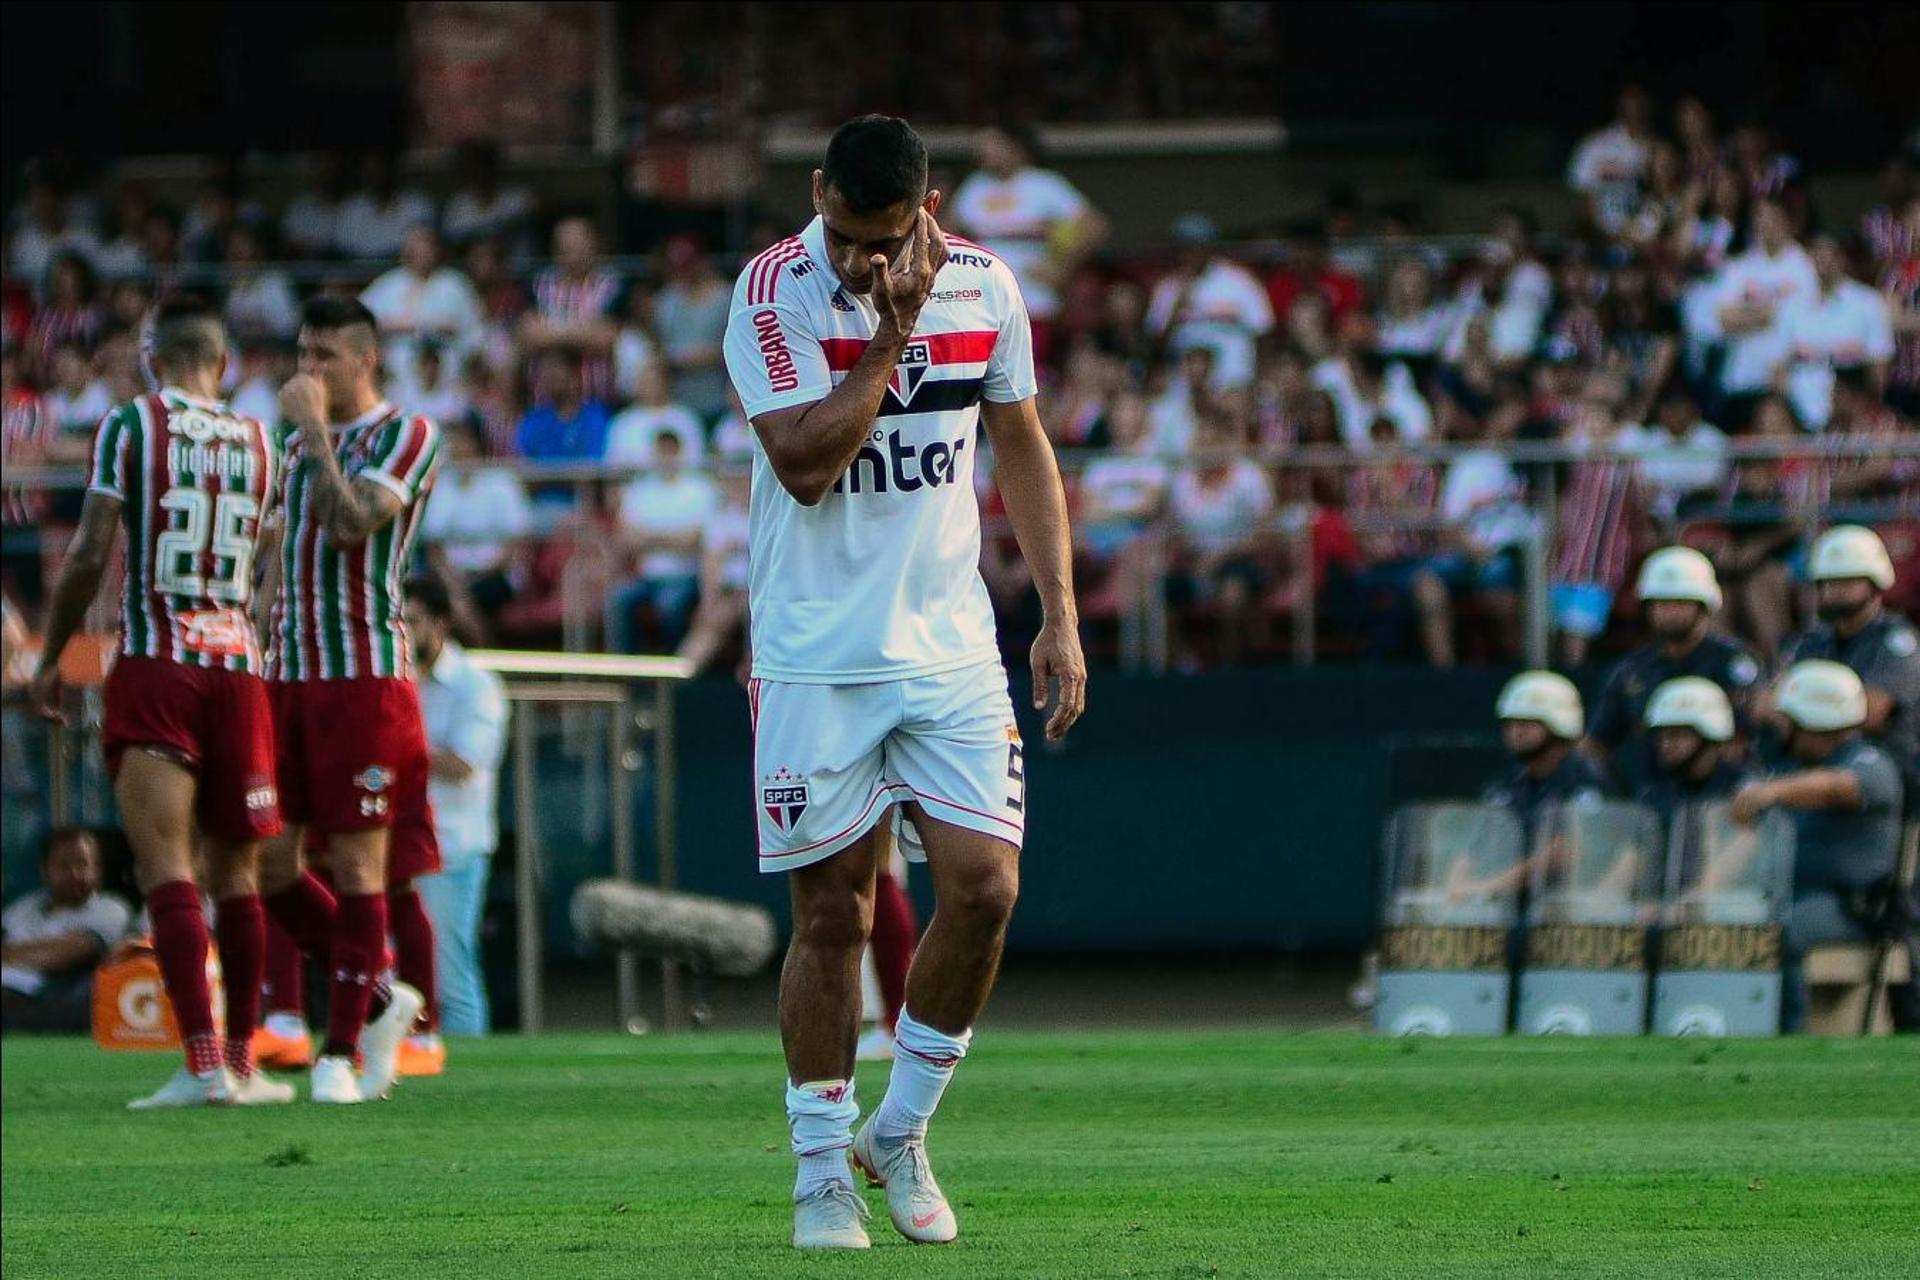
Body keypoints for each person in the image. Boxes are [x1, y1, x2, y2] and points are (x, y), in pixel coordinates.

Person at [721, 115, 1084, 1250]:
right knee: (835, 911)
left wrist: (1058, 613)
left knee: (985, 888)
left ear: (926, 213)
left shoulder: (987, 286)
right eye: (846, 233)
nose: (866, 262)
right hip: (816, 655)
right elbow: (806, 462)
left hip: (951, 646)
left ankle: (903, 1126)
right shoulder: (772, 290)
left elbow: (1020, 439)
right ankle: (820, 1168)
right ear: (816, 192)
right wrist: (889, 335)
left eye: (887, 241)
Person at [26, 296, 292, 1107]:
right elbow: (274, 547)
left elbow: (88, 552)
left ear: (154, 361)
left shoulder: (132, 425)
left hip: (158, 659)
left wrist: (50, 657)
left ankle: (202, 1060)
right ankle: (244, 1064)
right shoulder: (259, 438)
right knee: (238, 872)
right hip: (237, 664)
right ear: (223, 364)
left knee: (167, 866)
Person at [259, 296, 436, 1104]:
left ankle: (339, 1054)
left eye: (322, 355)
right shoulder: (297, 450)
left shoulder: (407, 433)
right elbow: (281, 553)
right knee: (264, 863)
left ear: (365, 360)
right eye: (301, 353)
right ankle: (377, 998)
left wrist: (315, 434)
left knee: (362, 865)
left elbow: (352, 522)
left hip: (364, 677)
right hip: (288, 674)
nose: (307, 372)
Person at [1732, 661, 1908, 1031]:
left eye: (1790, 723)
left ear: (1815, 724)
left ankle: (1786, 1036)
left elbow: (1837, 787)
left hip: (1849, 907)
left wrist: (1772, 792)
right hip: (1789, 894)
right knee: (1731, 921)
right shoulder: (1792, 766)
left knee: (1783, 932)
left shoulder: (1870, 763)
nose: (1783, 732)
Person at [403, 576, 508, 1050]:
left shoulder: (475, 683)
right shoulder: (397, 678)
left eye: (413, 621)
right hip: (401, 839)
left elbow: (465, 762)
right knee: (401, 966)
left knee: (450, 968)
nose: (404, 632)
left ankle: (469, 1071)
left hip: (453, 844)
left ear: (440, 625)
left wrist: (394, 742)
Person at [1585, 547, 1764, 791]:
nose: (1668, 613)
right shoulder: (1631, 671)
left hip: (1720, 801)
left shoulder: (1733, 664)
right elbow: (1596, 743)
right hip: (1647, 801)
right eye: (1660, 604)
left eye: (1679, 603)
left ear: (1703, 606)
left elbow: (1748, 739)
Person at [948, 122, 1107, 368]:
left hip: (1032, 303)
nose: (985, 150)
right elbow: (947, 233)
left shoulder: (1044, 184)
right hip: (982, 307)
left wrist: (1063, 270)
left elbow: (1094, 226)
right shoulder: (974, 186)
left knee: (1027, 379)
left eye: (994, 144)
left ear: (1016, 148)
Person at [1779, 527, 1920, 797]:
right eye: (1828, 583)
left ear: (1875, 582)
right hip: (1818, 773)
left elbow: (1871, 713)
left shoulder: (1897, 642)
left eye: (1847, 582)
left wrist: (1804, 710)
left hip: (1891, 777)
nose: (1835, 591)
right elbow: (1773, 704)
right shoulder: (1813, 641)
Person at [2, 829, 132, 1032]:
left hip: (57, 997)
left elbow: (66, 955)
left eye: (83, 864)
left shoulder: (112, 908)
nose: (75, 874)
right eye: (64, 866)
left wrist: (11, 952)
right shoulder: (22, 909)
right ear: (45, 870)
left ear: (97, 869)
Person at [607, 426, 719, 653]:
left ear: (679, 452)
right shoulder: (640, 490)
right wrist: (673, 538)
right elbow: (627, 538)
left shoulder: (700, 489)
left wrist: (650, 538)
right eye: (660, 451)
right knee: (619, 600)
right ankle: (630, 676)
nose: (664, 457)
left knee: (670, 606)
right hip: (647, 576)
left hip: (685, 576)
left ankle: (671, 679)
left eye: (669, 451)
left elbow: (694, 540)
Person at [1777, 232, 1896, 432]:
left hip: (1852, 421)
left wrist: (1863, 416)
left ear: (1841, 258)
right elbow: (1777, 369)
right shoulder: (1790, 306)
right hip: (1798, 419)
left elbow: (1879, 368)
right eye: (1818, 255)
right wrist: (1793, 418)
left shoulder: (1868, 302)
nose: (1823, 261)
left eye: (1829, 255)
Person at [359, 225, 484, 405]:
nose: (421, 252)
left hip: (448, 380)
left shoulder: (455, 285)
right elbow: (359, 325)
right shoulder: (387, 285)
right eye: (415, 246)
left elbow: (475, 333)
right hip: (396, 381)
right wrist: (389, 327)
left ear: (436, 250)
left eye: (426, 245)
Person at [650, 236, 734, 425]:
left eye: (687, 263)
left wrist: (687, 358)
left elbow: (736, 347)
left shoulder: (725, 298)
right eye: (676, 264)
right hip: (677, 401)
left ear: (702, 261)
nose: (683, 270)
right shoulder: (667, 301)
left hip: (719, 398)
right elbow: (657, 346)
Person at [1637, 677, 1751, 814]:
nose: (1664, 745)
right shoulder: (1655, 793)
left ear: (1710, 736)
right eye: (1660, 736)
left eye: (1675, 735)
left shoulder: (1744, 789)